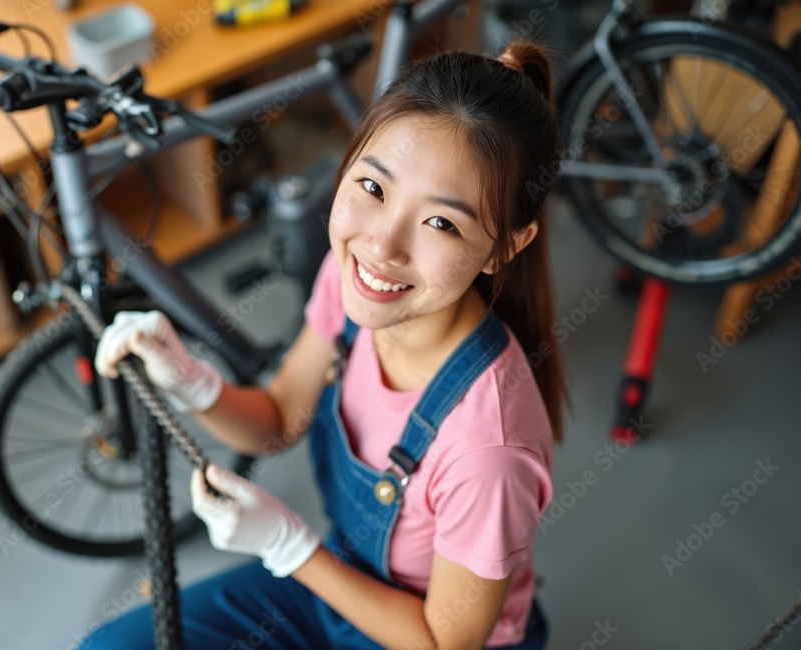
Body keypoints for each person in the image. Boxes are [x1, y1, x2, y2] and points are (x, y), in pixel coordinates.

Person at [82, 42, 571, 650]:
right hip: (341, 586)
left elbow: (446, 642)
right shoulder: (353, 286)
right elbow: (280, 417)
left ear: (506, 247)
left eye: (441, 223)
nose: (382, 246)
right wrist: (188, 380)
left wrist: (290, 548)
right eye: (373, 186)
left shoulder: (488, 448)